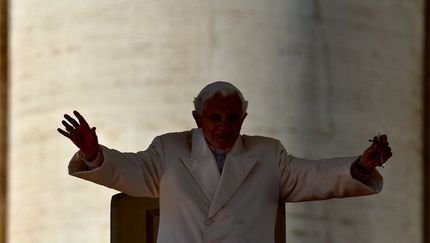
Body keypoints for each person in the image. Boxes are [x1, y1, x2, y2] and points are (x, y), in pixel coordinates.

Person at [58, 81, 392, 243]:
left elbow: (313, 177)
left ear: (243, 118)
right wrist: (93, 153)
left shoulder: (267, 154)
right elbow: (130, 172)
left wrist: (361, 166)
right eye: (215, 117)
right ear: (197, 117)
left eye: (233, 118)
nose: (224, 126)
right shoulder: (170, 150)